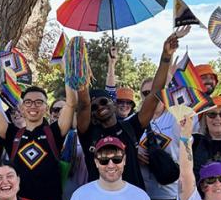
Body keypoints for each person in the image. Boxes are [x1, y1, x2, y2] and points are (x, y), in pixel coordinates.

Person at [75, 29, 186, 191]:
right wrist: (78, 65)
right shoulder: (88, 133)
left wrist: (166, 56)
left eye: (104, 101)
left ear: (113, 103)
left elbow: (155, 93)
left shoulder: (130, 127)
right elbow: (83, 104)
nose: (100, 107)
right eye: (95, 107)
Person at [0, 85, 76, 200]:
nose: (33, 106)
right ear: (22, 108)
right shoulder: (12, 133)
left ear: (46, 108)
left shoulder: (54, 132)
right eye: (28, 102)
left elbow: (71, 104)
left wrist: (69, 67)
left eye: (39, 102)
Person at [62, 137, 152, 200]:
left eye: (117, 159)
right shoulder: (79, 196)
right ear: (96, 162)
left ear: (124, 160)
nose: (111, 165)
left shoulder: (141, 198)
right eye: (104, 160)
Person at [136, 88, 181, 200]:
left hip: (171, 194)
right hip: (143, 195)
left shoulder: (175, 118)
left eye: (157, 92)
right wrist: (134, 153)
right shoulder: (134, 121)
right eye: (146, 92)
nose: (152, 96)